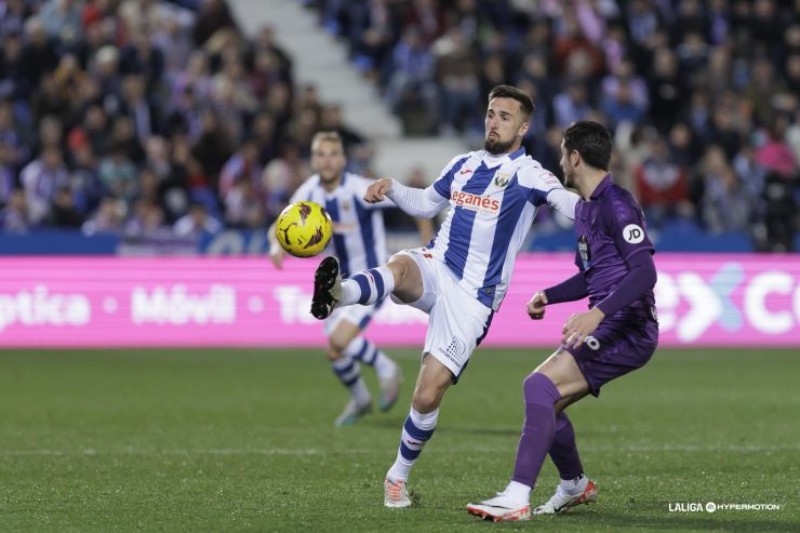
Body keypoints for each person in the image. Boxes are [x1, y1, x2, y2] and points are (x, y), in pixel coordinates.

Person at [309, 85, 580, 508]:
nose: (493, 121)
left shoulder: (529, 173)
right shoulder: (464, 163)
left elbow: (565, 202)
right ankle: (338, 293)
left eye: (505, 116)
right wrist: (392, 188)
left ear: (524, 127)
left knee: (426, 394)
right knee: (399, 267)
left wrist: (602, 211)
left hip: (473, 297)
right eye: (491, 112)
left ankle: (396, 476)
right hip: (437, 263)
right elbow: (425, 204)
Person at [466, 121, 659, 521]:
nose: (559, 162)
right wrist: (549, 296)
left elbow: (645, 273)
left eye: (561, 154)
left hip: (628, 325)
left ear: (575, 157)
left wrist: (597, 312)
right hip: (608, 320)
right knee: (545, 401)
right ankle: (574, 484)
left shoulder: (617, 203)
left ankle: (517, 497)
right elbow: (591, 275)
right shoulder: (587, 209)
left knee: (539, 386)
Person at [269, 132, 422, 426]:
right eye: (321, 154)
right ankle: (362, 399)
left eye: (333, 153)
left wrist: (427, 240)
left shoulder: (360, 189)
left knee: (339, 340)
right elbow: (281, 224)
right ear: (313, 159)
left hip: (373, 277)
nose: (327, 160)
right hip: (334, 282)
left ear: (343, 158)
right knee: (334, 351)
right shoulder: (307, 193)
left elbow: (411, 201)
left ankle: (385, 369)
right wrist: (277, 246)